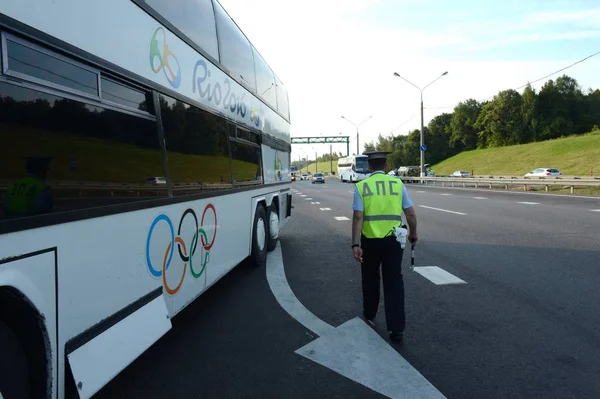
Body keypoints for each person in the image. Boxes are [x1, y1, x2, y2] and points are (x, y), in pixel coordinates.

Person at [351, 151, 418, 343]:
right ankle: (397, 328)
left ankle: (370, 315)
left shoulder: (362, 186)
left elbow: (358, 217)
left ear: (370, 167)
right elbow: (411, 214)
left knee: (370, 278)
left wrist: (355, 244)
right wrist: (413, 233)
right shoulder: (397, 184)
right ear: (387, 165)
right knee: (394, 282)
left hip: (370, 240)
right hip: (394, 241)